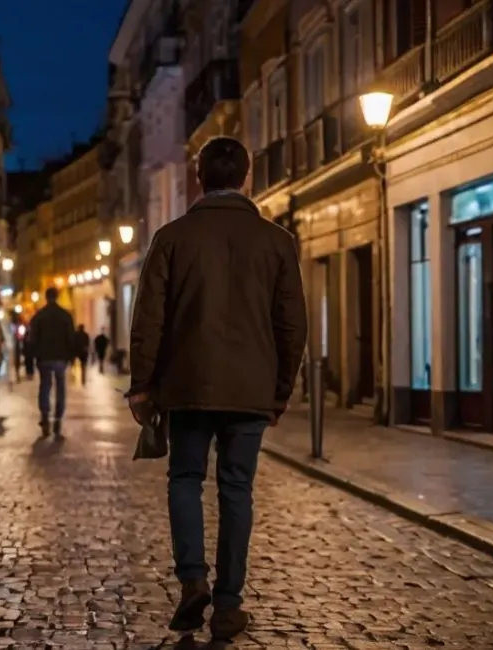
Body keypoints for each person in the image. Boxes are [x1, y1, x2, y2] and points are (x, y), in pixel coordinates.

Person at [126, 136, 307, 643]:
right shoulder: (276, 241)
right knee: (236, 489)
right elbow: (293, 323)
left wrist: (143, 385)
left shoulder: (172, 237)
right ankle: (228, 606)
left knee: (184, 478)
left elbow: (149, 319)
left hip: (187, 386)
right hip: (250, 390)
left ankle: (192, 580)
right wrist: (280, 389)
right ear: (247, 177)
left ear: (199, 177)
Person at [27, 287, 77, 436]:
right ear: (57, 296)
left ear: (45, 297)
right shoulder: (65, 315)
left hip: (44, 357)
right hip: (61, 357)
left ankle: (44, 417)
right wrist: (72, 356)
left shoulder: (39, 316)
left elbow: (32, 339)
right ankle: (58, 418)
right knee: (60, 388)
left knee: (45, 387)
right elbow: (71, 338)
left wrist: (31, 358)